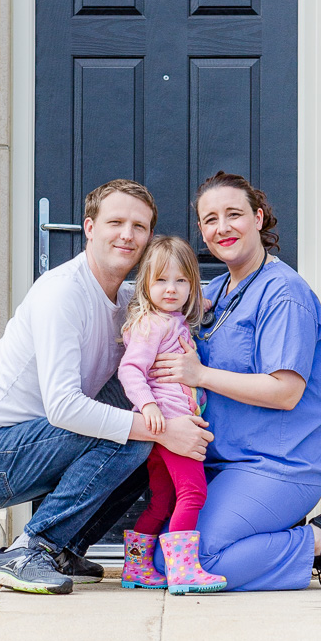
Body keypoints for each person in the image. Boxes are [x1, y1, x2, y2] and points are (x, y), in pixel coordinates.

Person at [0, 179, 212, 595]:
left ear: (149, 238)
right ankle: (29, 550)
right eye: (115, 222)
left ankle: (64, 549)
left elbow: (200, 297)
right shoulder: (62, 292)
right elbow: (64, 408)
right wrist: (166, 431)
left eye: (139, 226)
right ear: (89, 227)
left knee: (148, 441)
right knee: (138, 434)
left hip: (33, 442)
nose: (127, 234)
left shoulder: (130, 301)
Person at [151, 171, 321, 593]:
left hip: (278, 466)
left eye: (234, 214)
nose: (222, 227)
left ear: (259, 218)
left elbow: (286, 392)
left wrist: (200, 374)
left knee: (198, 561)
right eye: (210, 219)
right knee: (164, 556)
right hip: (222, 465)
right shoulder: (212, 291)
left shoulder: (284, 294)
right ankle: (266, 533)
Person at [117, 235, 226, 595]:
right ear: (145, 284)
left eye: (181, 281)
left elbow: (192, 304)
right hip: (171, 426)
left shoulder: (169, 318)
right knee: (193, 493)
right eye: (161, 280)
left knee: (162, 500)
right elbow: (130, 370)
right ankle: (183, 572)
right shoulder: (155, 324)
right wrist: (147, 405)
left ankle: (136, 566)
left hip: (162, 430)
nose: (171, 289)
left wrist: (204, 301)